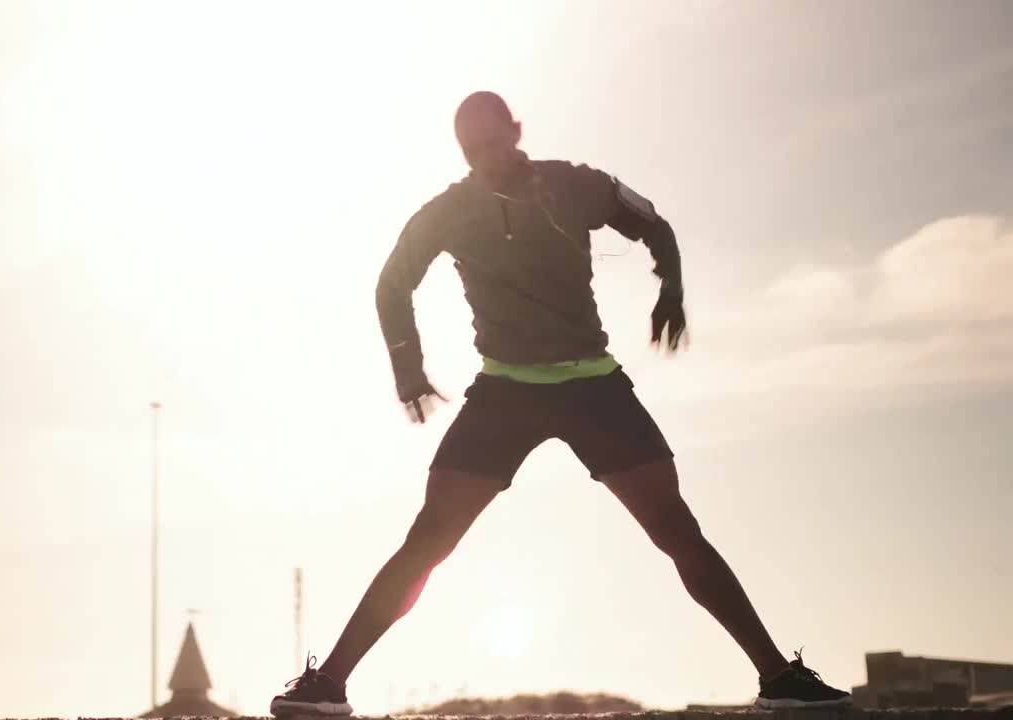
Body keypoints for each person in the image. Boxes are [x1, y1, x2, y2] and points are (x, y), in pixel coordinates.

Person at [269, 91, 851, 716]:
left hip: (592, 388)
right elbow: (392, 284)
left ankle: (778, 679)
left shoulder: (577, 184)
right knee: (428, 539)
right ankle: (328, 684)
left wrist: (671, 292)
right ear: (462, 154)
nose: (488, 158)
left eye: (496, 141)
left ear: (517, 132)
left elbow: (655, 224)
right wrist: (408, 367)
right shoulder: (449, 211)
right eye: (474, 150)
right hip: (504, 392)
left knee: (677, 530)